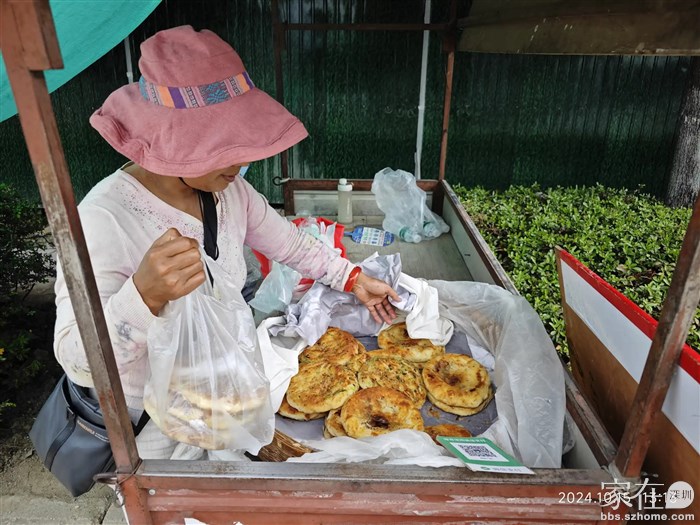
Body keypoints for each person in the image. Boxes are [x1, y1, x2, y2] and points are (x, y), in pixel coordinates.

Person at [53, 25, 399, 460]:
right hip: (152, 426)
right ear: (171, 140)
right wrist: (143, 297)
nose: (244, 160)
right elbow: (77, 360)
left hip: (227, 400)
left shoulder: (229, 191)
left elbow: (291, 244)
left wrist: (353, 278)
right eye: (223, 145)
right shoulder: (103, 218)